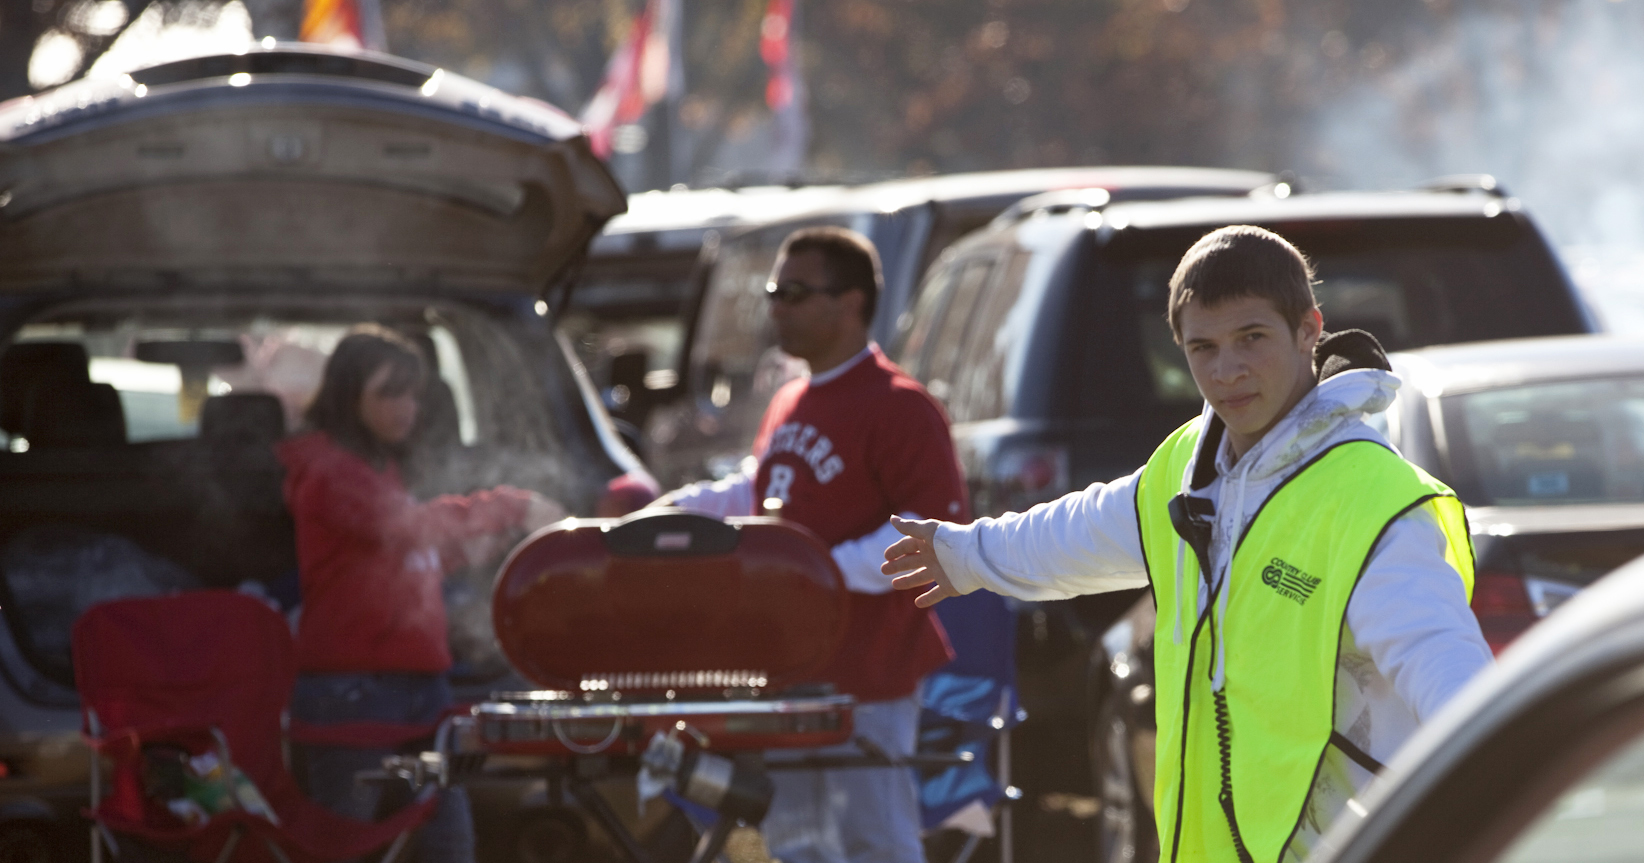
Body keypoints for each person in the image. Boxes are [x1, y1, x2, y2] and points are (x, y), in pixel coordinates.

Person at [883, 226, 1494, 863]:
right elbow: (1079, 532)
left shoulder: (1373, 500)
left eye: (1251, 338)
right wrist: (965, 555)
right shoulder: (1186, 466)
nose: (1227, 370)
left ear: (1309, 330)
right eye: (1203, 347)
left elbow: (1445, 668)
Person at [654, 227, 967, 863]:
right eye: (774, 291)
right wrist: (666, 514)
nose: (776, 306)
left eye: (793, 291)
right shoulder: (790, 397)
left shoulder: (901, 406)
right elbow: (761, 486)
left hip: (869, 673)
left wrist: (817, 573)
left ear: (850, 302)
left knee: (874, 843)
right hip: (787, 668)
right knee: (797, 846)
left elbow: (931, 530)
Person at [276, 326, 563, 863]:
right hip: (352, 690)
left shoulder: (376, 466)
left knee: (447, 841)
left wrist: (460, 554)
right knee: (348, 845)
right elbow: (403, 529)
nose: (406, 407)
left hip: (420, 687)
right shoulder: (328, 470)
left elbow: (397, 556)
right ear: (348, 395)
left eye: (413, 393)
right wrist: (510, 506)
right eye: (390, 392)